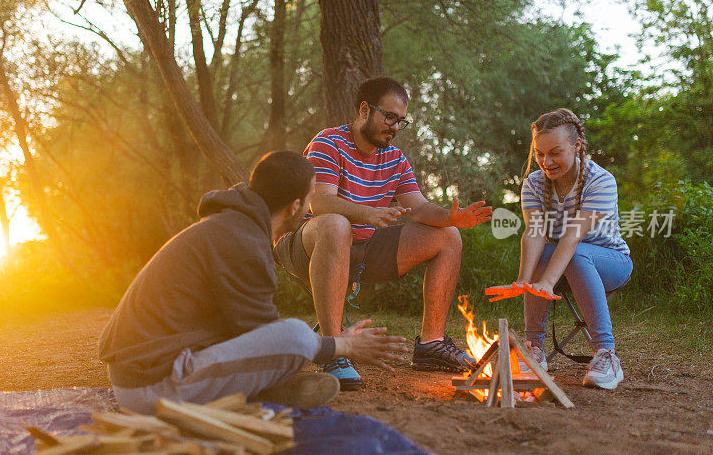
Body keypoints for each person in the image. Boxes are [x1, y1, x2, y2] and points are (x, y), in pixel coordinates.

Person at [99, 151, 407, 414]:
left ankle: (261, 389)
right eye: (311, 198)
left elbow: (246, 334)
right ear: (293, 206)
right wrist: (344, 345)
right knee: (297, 335)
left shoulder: (234, 225)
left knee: (292, 341)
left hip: (145, 369)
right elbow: (270, 338)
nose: (311, 208)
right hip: (151, 385)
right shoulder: (242, 240)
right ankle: (263, 390)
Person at [274, 77, 493, 390]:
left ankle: (431, 344)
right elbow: (320, 201)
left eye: (400, 121)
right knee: (337, 224)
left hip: (362, 247)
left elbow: (418, 208)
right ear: (365, 110)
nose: (394, 126)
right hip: (306, 243)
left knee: (447, 236)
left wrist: (451, 217)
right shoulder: (328, 142)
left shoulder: (395, 159)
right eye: (389, 117)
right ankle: (333, 347)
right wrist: (368, 213)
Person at [514, 108, 632, 390]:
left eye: (555, 152)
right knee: (545, 253)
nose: (546, 161)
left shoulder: (600, 180)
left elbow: (572, 237)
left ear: (577, 145)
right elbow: (534, 233)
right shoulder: (532, 184)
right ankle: (534, 348)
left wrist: (546, 282)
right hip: (564, 264)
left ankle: (606, 354)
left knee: (576, 253)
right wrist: (523, 280)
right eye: (540, 154)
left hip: (611, 263)